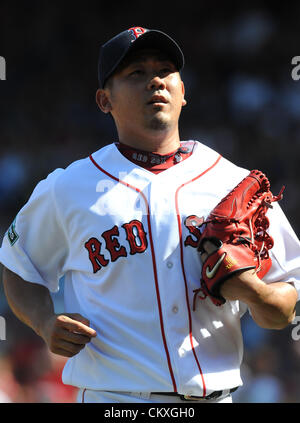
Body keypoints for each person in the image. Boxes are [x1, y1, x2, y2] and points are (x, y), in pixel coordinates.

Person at [0, 26, 300, 404]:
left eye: (165, 70)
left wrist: (253, 291)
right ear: (104, 100)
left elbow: (284, 311)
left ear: (183, 92)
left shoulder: (235, 184)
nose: (155, 81)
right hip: (116, 400)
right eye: (136, 73)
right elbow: (17, 263)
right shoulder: (68, 188)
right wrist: (44, 323)